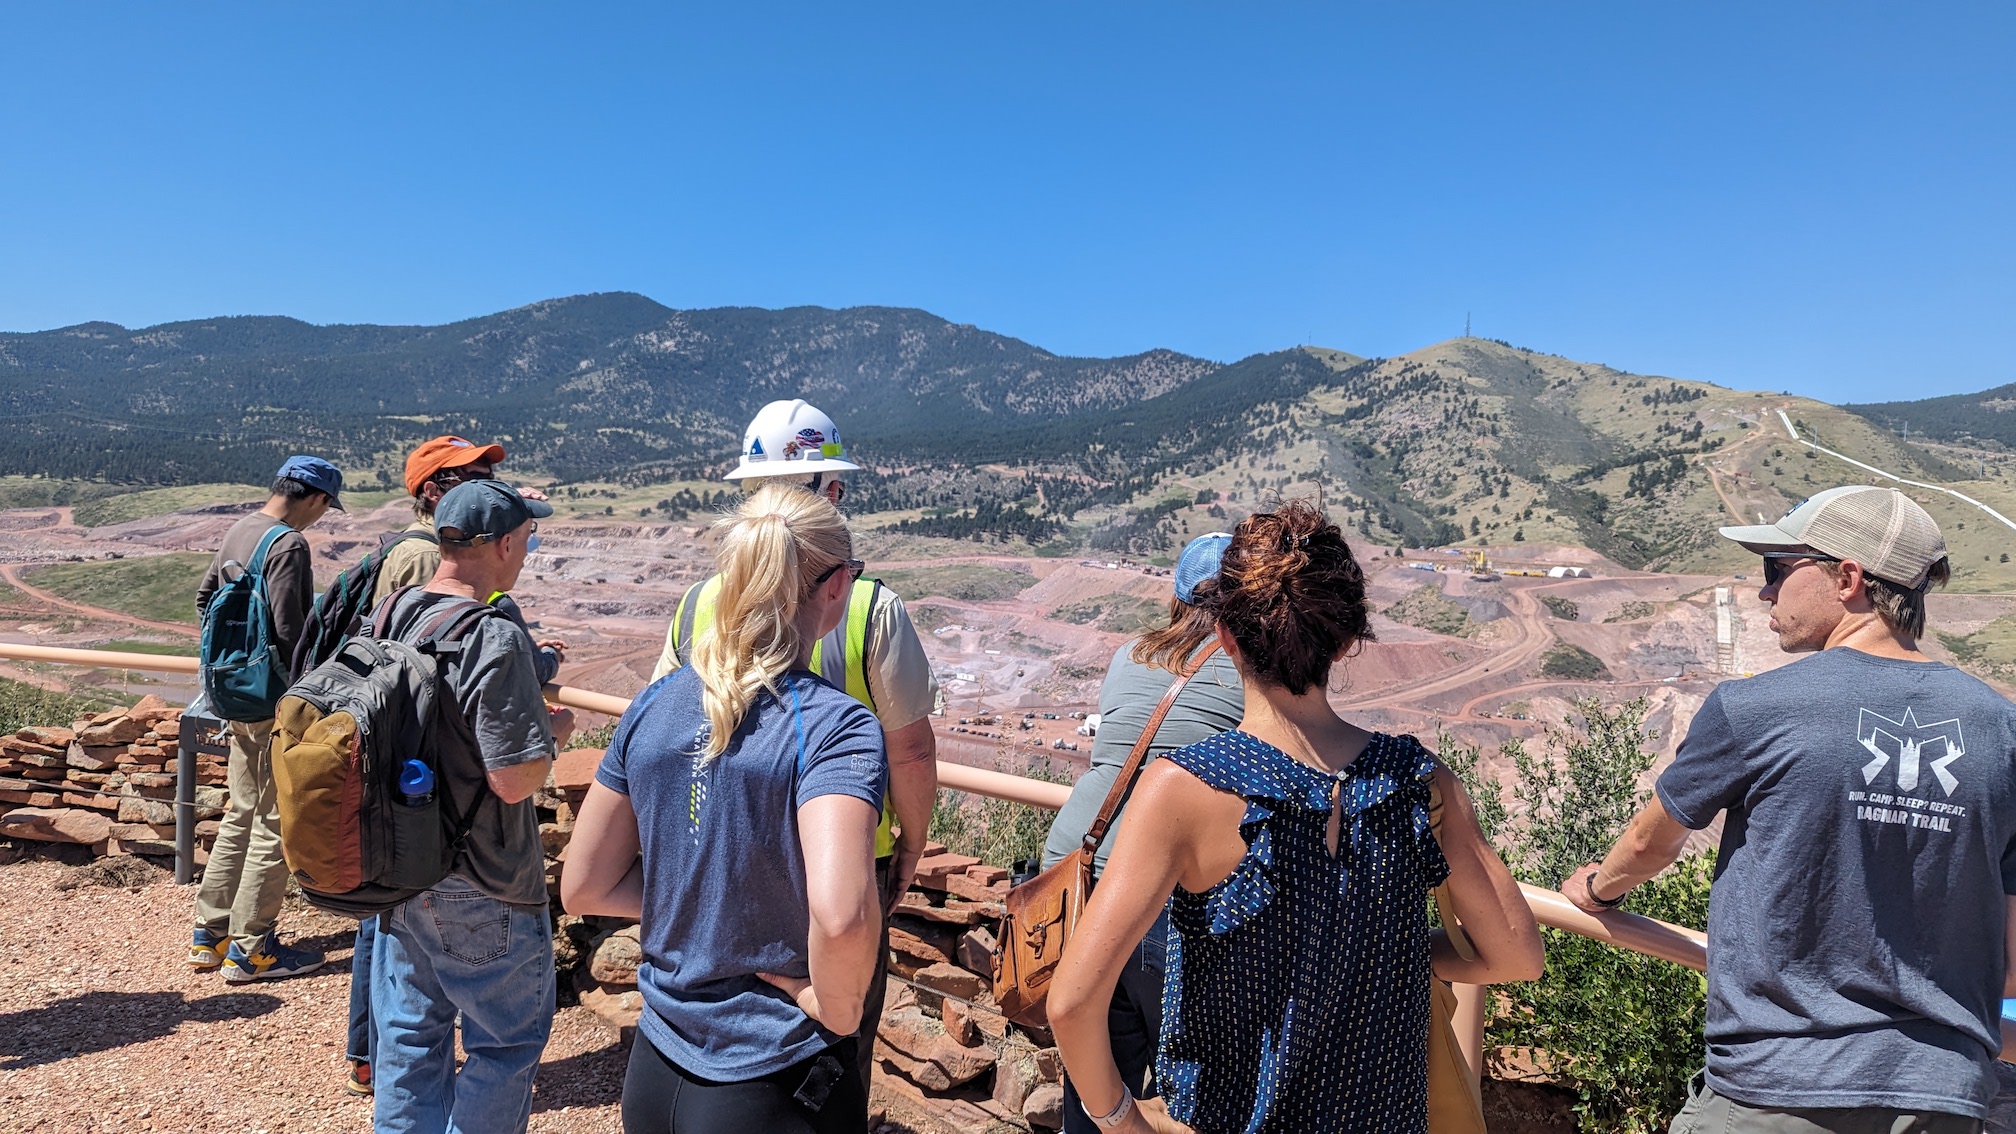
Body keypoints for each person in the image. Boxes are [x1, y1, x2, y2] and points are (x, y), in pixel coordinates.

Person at [1050, 500, 1543, 1134]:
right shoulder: (1418, 779)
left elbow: (1071, 1004)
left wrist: (1123, 1123)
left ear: (1225, 637)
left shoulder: (1183, 787)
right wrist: (1374, 951)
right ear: (1343, 643)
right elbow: (1516, 955)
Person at [1566, 485, 2016, 1133]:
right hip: (1941, 1095)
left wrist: (1596, 891)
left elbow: (1648, 845)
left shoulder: (1755, 708)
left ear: (1849, 578)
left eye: (1777, 569)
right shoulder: (2000, 730)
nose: (1764, 592)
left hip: (1780, 1087)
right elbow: (2011, 963)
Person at [564, 482, 887, 1134]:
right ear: (835, 586)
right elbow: (844, 915)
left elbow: (584, 884)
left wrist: (708, 908)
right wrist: (835, 1007)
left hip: (656, 1069)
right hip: (772, 1074)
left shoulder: (653, 704)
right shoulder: (834, 726)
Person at [650, 397, 937, 1091]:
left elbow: (660, 733)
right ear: (828, 492)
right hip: (842, 861)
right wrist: (911, 844)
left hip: (716, 855)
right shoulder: (868, 603)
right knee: (834, 1051)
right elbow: (910, 752)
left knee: (709, 1031)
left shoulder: (697, 603)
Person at [347, 434, 562, 1097]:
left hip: (403, 861)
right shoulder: (492, 634)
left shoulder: (389, 612)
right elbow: (513, 778)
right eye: (526, 541)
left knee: (411, 1046)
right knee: (506, 1047)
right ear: (501, 546)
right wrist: (554, 732)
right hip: (482, 877)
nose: (526, 554)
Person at [1039, 533, 1244, 1134]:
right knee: (1197, 1085)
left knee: (1098, 1076)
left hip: (1078, 869)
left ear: (1177, 596)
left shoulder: (1131, 655)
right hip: (1162, 890)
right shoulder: (1249, 672)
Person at [188, 455, 345, 982]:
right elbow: (290, 629)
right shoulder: (288, 543)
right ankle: (252, 948)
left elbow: (205, 598)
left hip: (233, 693)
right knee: (275, 821)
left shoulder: (241, 528)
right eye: (326, 507)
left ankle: (210, 935)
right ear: (316, 498)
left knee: (242, 811)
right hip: (273, 701)